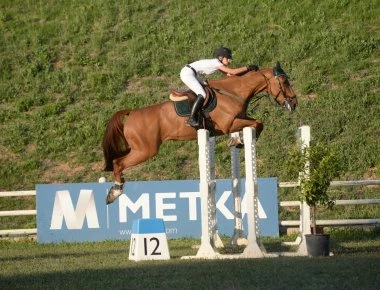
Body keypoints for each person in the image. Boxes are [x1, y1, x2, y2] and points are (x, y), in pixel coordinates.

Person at [180, 46, 258, 127]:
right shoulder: (216, 63)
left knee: (205, 85)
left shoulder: (217, 63)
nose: (229, 60)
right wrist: (247, 67)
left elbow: (229, 74)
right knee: (202, 94)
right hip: (188, 73)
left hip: (193, 73)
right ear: (221, 57)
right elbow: (232, 71)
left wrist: (247, 72)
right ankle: (192, 119)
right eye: (227, 58)